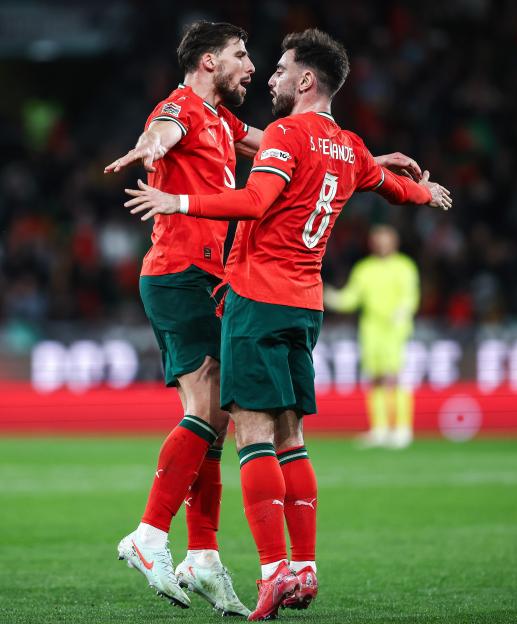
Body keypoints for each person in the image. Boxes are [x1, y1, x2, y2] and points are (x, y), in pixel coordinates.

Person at [124, 28, 452, 620]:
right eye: (248, 58)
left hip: (252, 291)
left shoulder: (267, 130)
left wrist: (179, 201)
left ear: (305, 80)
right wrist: (418, 189)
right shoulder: (340, 145)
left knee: (238, 426)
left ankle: (246, 561)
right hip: (283, 298)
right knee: (266, 430)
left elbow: (264, 189)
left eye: (273, 67)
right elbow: (168, 127)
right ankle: (271, 560)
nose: (262, 74)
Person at [105, 21, 260, 616]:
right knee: (209, 407)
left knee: (218, 420)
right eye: (240, 56)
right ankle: (149, 535)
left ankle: (203, 555)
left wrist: (355, 157)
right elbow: (163, 129)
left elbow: (279, 143)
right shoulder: (182, 108)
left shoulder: (224, 120)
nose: (250, 66)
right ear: (206, 61)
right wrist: (151, 145)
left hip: (207, 277)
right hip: (178, 273)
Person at [324, 225, 420, 448]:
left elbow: (410, 295)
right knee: (375, 379)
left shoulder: (404, 266)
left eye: (385, 240)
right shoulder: (364, 269)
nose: (381, 244)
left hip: (395, 329)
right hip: (371, 330)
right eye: (378, 240)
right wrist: (330, 296)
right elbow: (351, 298)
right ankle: (380, 429)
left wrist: (404, 310)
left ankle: (403, 428)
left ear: (394, 242)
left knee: (394, 377)